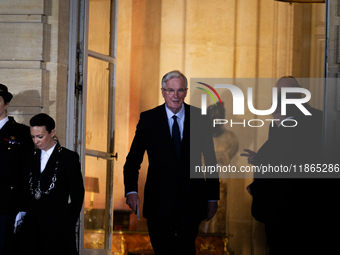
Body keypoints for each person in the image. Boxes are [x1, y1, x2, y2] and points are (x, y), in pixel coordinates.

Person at [123, 70, 220, 255]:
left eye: (180, 90)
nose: (175, 96)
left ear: (186, 91)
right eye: (170, 90)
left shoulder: (200, 117)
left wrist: (212, 197)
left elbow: (211, 159)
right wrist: (131, 191)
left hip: (191, 201)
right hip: (158, 202)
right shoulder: (149, 120)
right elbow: (133, 160)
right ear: (163, 91)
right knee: (163, 251)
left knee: (186, 250)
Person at [241, 77, 324, 255]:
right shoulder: (278, 123)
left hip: (298, 209)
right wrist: (260, 158)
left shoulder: (317, 120)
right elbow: (278, 156)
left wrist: (257, 187)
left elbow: (297, 163)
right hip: (277, 210)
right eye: (278, 93)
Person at [16, 113, 84, 255]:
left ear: (52, 132)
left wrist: (68, 221)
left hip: (58, 226)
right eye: (33, 137)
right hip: (32, 226)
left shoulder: (68, 157)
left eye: (40, 136)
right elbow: (24, 189)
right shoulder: (29, 158)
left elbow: (77, 193)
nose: (36, 141)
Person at [0, 84, 33, 255]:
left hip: (7, 207)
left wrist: (24, 207)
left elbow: (28, 172)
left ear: (6, 104)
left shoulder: (21, 133)